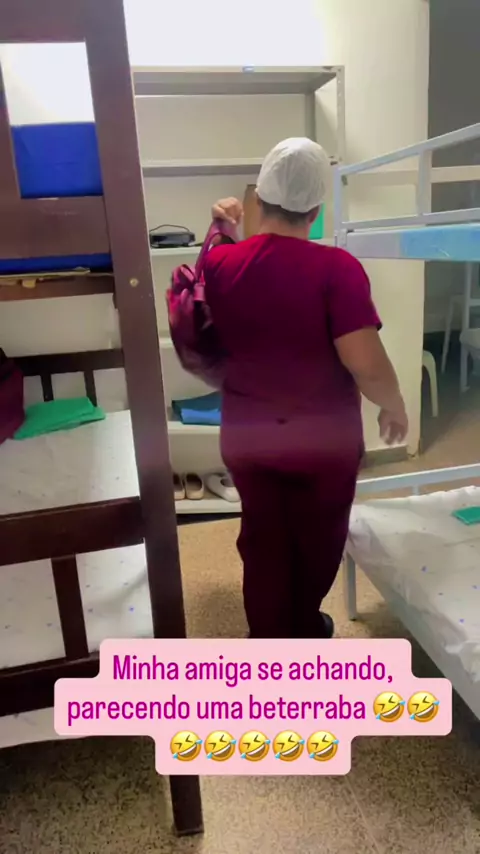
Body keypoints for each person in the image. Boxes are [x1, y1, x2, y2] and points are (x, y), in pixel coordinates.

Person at [202, 137, 408, 640]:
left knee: (263, 540)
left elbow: (217, 252)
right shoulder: (337, 270)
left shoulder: (221, 264)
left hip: (248, 437)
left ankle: (268, 639)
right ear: (316, 210)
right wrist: (394, 403)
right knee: (317, 539)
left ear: (259, 198)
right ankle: (303, 627)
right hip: (322, 442)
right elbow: (365, 362)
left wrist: (222, 226)